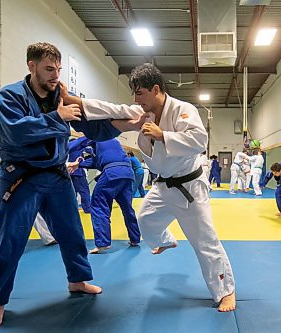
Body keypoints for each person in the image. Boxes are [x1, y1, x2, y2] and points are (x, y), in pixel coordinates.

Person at [0, 42, 143, 328]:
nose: (55, 75)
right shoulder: (10, 95)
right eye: (48, 69)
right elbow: (14, 132)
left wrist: (124, 126)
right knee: (10, 241)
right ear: (32, 66)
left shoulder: (61, 96)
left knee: (72, 232)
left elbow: (90, 126)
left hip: (56, 175)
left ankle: (77, 281)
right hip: (21, 178)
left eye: (58, 69)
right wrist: (57, 118)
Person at [61, 63, 236, 312]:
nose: (136, 99)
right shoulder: (144, 112)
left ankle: (226, 291)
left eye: (140, 93)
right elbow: (112, 108)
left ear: (155, 89)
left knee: (205, 242)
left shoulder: (183, 110)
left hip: (189, 188)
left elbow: (200, 140)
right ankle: (165, 240)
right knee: (145, 220)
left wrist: (163, 134)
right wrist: (72, 100)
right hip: (164, 185)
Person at [69, 139, 141, 254]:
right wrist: (79, 164)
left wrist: (58, 148)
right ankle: (135, 238)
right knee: (127, 208)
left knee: (98, 206)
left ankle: (103, 243)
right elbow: (97, 161)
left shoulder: (96, 135)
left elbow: (75, 144)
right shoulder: (113, 142)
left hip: (112, 172)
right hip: (127, 173)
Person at [68, 137, 93, 213]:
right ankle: (87, 209)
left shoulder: (67, 149)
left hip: (69, 172)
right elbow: (91, 151)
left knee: (72, 192)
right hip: (78, 172)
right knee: (84, 191)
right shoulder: (79, 147)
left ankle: (72, 209)